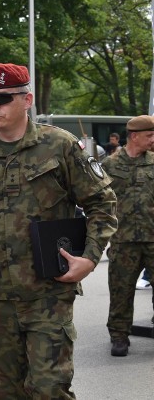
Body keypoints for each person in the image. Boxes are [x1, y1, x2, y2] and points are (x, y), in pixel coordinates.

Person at [0, 63, 117, 399]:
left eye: (4, 98)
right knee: (1, 391)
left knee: (49, 388)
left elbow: (102, 203)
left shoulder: (60, 146)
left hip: (49, 293)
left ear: (27, 99)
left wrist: (90, 257)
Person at [103, 115, 154, 356]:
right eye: (149, 136)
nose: (153, 140)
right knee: (121, 290)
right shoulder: (110, 165)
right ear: (134, 136)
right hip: (123, 240)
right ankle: (119, 336)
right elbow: (98, 202)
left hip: (153, 238)